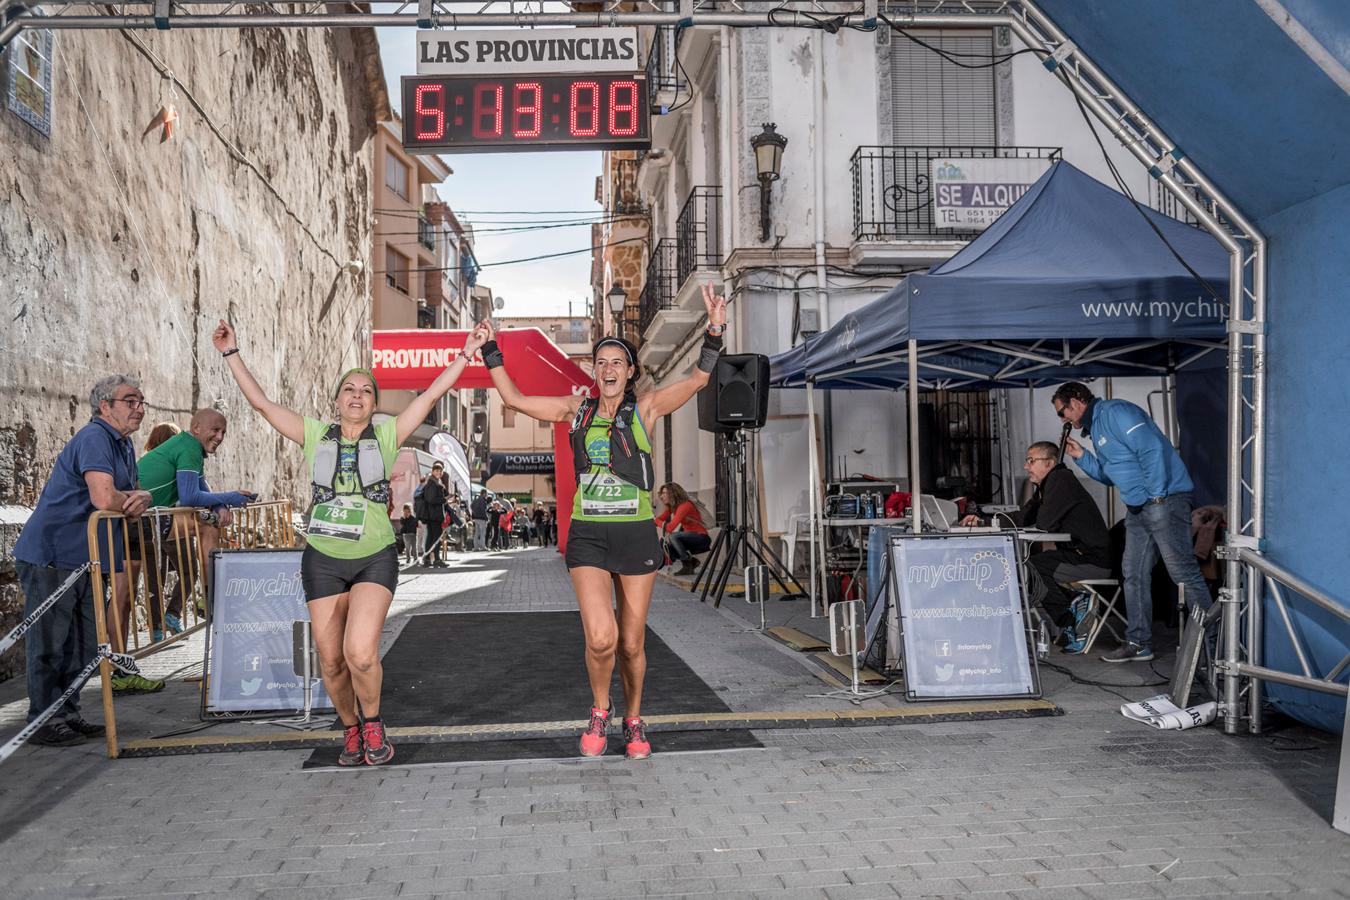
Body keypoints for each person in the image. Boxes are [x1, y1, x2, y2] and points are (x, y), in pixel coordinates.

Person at [213, 318, 486, 765]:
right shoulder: (315, 435)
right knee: (332, 661)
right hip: (323, 559)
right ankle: (351, 729)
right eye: (350, 389)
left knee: (359, 654)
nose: (357, 395)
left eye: (366, 391)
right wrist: (231, 352)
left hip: (374, 557)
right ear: (337, 400)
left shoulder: (387, 435)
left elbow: (433, 395)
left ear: (374, 403)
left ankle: (374, 721)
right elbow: (262, 404)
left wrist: (466, 350)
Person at [477, 282, 727, 759]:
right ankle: (599, 708)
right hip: (588, 534)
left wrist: (714, 330)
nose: (609, 368)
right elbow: (513, 397)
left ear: (630, 372)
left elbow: (697, 380)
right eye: (602, 362)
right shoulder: (576, 410)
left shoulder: (646, 408)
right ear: (594, 371)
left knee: (631, 645)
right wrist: (491, 347)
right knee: (601, 637)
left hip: (635, 534)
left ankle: (633, 719)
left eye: (618, 362)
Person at [13, 375, 158, 746]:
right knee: (49, 643)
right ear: (105, 406)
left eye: (141, 401)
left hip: (88, 559)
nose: (139, 407)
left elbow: (125, 498)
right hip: (54, 555)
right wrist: (137, 498)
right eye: (130, 401)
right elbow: (105, 498)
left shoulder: (122, 443)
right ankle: (42, 721)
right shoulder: (95, 437)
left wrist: (136, 498)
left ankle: (68, 712)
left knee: (82, 644)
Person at [1053, 382, 1213, 663]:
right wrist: (1081, 456)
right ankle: (1139, 642)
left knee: (1183, 573)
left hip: (1164, 500)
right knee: (1133, 573)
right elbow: (1109, 475)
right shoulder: (1097, 430)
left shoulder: (1115, 412)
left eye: (1062, 411)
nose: (1063, 419)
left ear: (1077, 400)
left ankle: (1213, 645)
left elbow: (1151, 450)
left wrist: (1156, 496)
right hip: (1139, 507)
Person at [960, 441, 1111, 651]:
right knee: (1031, 566)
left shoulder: (1060, 480)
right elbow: (1023, 517)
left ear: (1049, 463)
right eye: (1026, 460)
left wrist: (1041, 504)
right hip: (1077, 555)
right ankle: (1076, 610)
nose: (1026, 466)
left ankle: (1073, 617)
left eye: (1032, 461)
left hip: (1093, 560)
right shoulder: (1049, 484)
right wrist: (984, 522)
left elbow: (1044, 523)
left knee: (1032, 569)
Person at [135, 409, 256, 640]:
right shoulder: (189, 447)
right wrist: (230, 497)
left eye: (223, 432)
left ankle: (208, 598)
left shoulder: (190, 447)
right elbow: (190, 497)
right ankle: (212, 598)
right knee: (207, 526)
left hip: (146, 517)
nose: (220, 437)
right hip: (138, 519)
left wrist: (219, 507)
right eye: (215, 430)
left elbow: (202, 488)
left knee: (209, 524)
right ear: (196, 429)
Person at [654, 482, 710, 576]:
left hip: (701, 538)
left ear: (673, 494)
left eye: (665, 493)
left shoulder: (685, 506)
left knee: (673, 537)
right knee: (667, 546)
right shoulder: (673, 507)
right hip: (688, 538)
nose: (662, 496)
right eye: (662, 493)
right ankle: (691, 562)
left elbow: (670, 527)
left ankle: (687, 565)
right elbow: (660, 519)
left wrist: (656, 521)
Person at [420, 462, 449, 567]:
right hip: (434, 515)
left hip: (432, 515)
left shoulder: (435, 482)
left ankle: (427, 559)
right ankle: (436, 559)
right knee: (436, 538)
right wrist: (443, 499)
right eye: (437, 470)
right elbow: (431, 499)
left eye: (440, 471)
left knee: (431, 537)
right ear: (432, 471)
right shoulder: (432, 483)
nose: (439, 472)